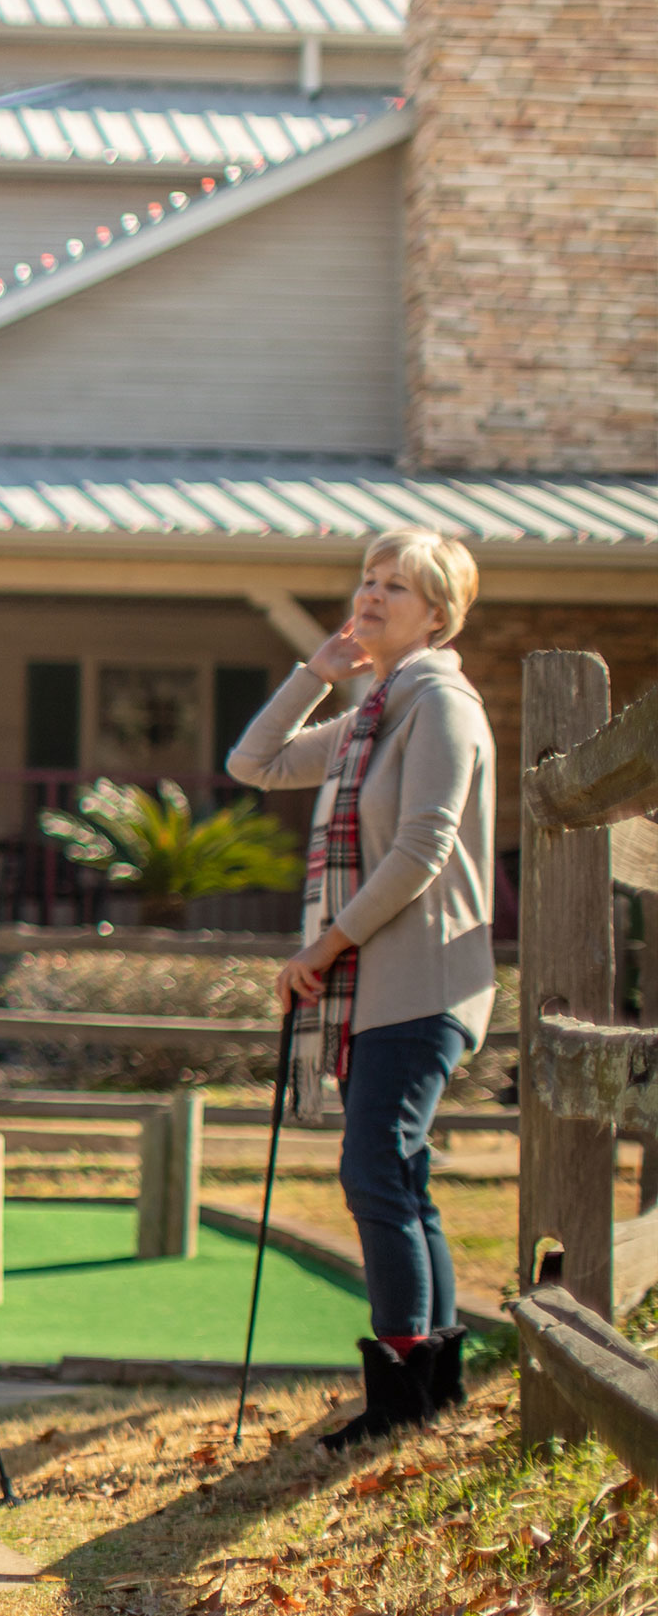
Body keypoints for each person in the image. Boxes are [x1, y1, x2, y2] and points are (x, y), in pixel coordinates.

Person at [229, 526, 495, 1450]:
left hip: (422, 979)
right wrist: (316, 672)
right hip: (377, 985)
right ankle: (429, 1394)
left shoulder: (441, 707)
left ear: (438, 613)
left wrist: (326, 947)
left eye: (399, 587)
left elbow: (422, 850)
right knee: (400, 1174)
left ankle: (401, 1398)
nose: (373, 597)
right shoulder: (370, 716)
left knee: (375, 1167)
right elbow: (253, 764)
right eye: (369, 580)